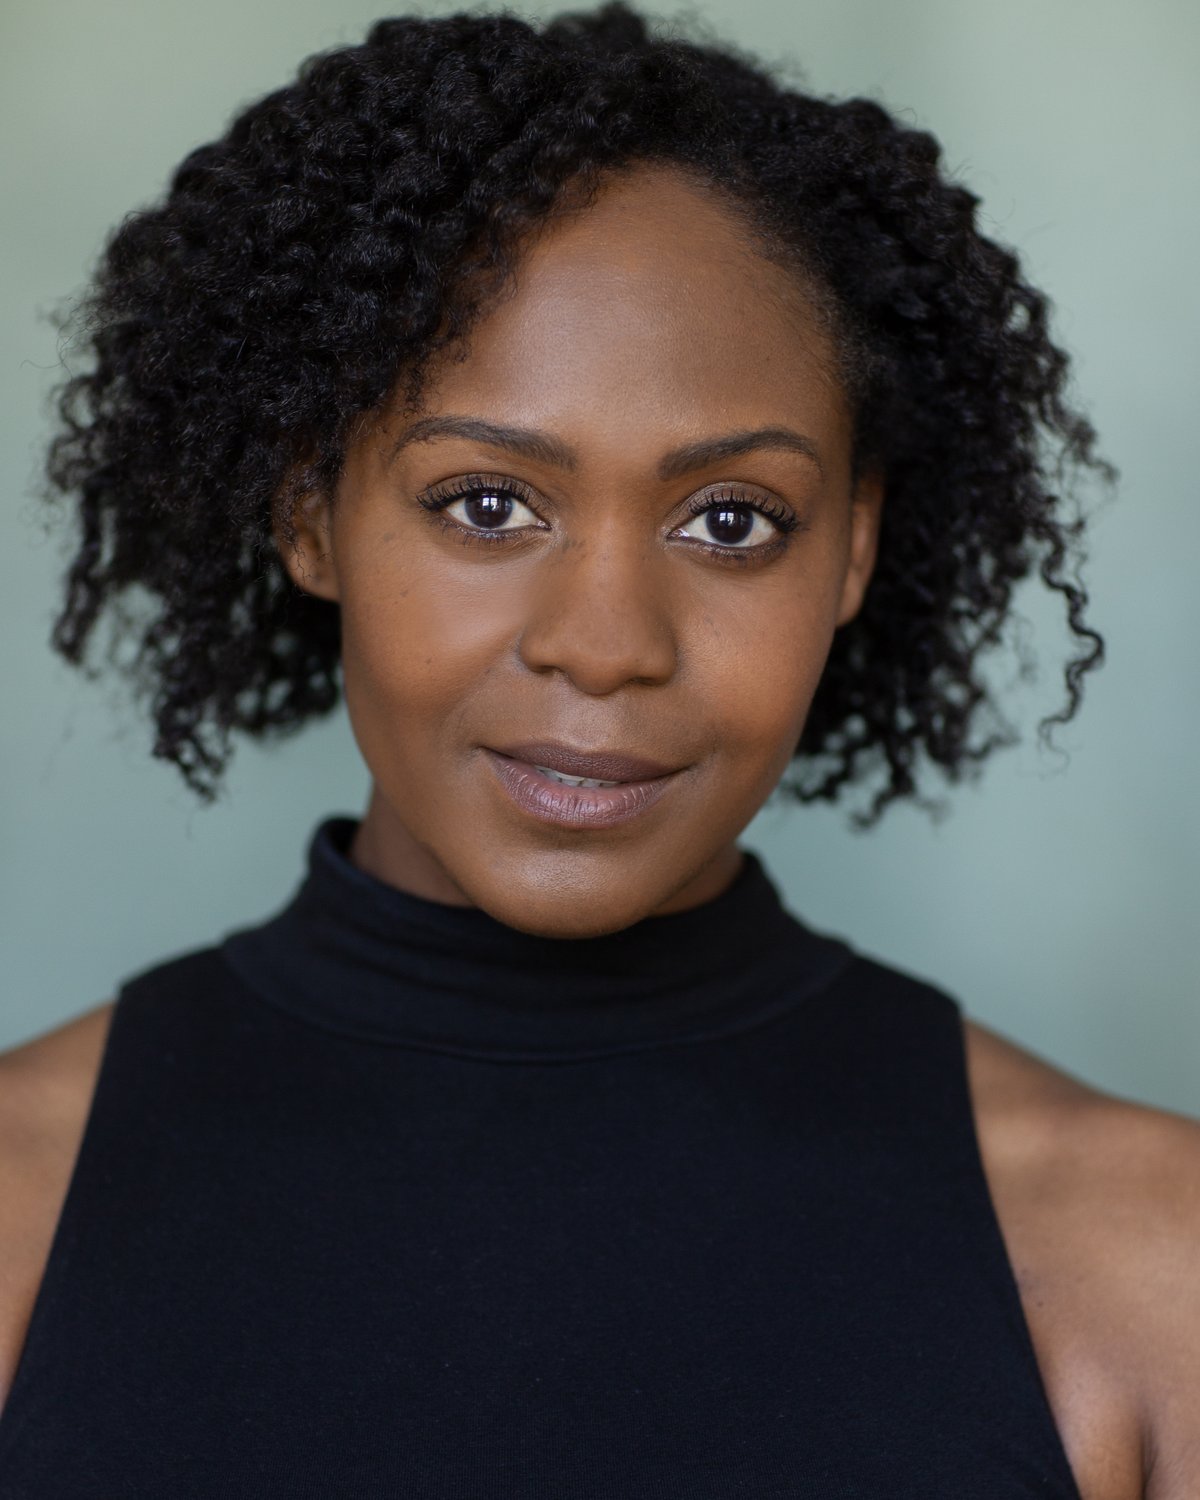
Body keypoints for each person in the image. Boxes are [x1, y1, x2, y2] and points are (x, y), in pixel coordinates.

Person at [0, 3, 1195, 1495]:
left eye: (730, 520)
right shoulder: (21, 1205)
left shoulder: (1143, 1257)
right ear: (310, 512)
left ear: (851, 548)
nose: (608, 642)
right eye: (487, 504)